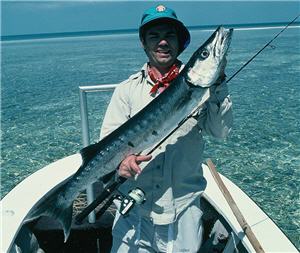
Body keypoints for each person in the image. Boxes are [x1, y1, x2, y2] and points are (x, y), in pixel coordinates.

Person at [100, 5, 233, 253]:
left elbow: (220, 132)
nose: (163, 42)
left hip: (183, 209)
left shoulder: (203, 87)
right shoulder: (126, 90)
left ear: (180, 42)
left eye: (170, 36)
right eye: (154, 36)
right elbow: (108, 143)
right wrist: (123, 162)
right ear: (143, 43)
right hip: (134, 207)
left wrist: (218, 86)